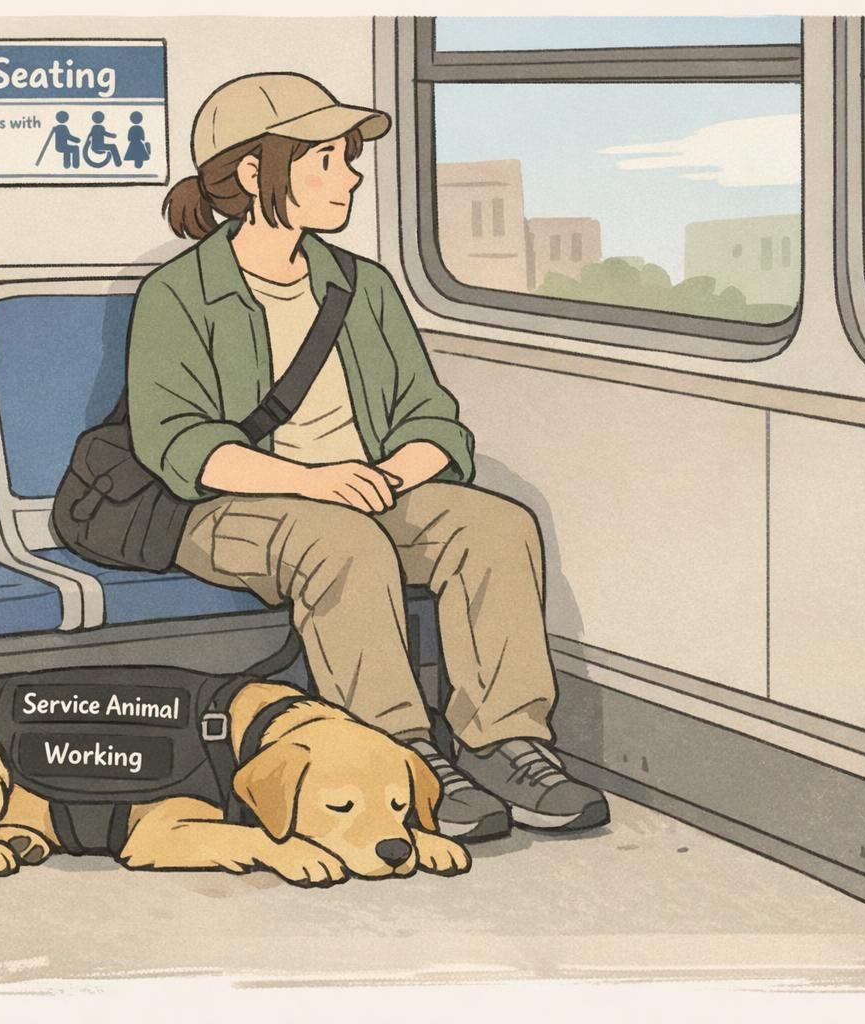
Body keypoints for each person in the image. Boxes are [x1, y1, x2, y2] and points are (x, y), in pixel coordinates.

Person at [125, 72, 609, 840]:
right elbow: (180, 443)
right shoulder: (180, 294)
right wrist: (314, 482)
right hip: (228, 507)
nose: (349, 176)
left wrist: (390, 474)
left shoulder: (361, 287)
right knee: (342, 542)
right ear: (253, 172)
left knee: (495, 526)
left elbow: (433, 421)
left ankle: (502, 741)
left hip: (358, 490)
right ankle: (395, 750)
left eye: (346, 158)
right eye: (325, 160)